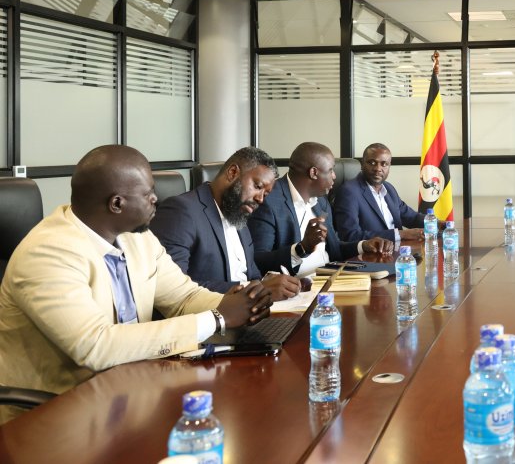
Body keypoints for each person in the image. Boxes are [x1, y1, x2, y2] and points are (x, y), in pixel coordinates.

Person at [0, 145, 272, 419]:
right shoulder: (48, 252)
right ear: (117, 204)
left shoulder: (136, 237)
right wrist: (216, 319)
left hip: (131, 391)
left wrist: (238, 303)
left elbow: (183, 297)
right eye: (148, 194)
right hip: (58, 413)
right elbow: (95, 346)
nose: (156, 199)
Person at [151, 146, 300, 301]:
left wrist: (274, 286)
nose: (260, 199)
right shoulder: (182, 211)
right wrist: (254, 289)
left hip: (249, 315)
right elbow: (172, 288)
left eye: (266, 194)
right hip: (211, 318)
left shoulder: (238, 215)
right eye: (258, 186)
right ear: (233, 173)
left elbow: (253, 276)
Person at [249, 142, 394, 277]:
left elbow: (334, 249)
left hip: (330, 278)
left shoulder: (321, 202)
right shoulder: (268, 201)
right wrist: (301, 248)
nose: (334, 176)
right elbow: (257, 260)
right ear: (313, 173)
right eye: (330, 170)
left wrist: (364, 245)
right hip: (297, 288)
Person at [333, 143, 426, 243]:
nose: (378, 169)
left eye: (384, 164)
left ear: (389, 167)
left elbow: (412, 217)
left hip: (399, 252)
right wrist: (400, 234)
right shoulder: (349, 192)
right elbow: (350, 235)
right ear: (362, 164)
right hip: (371, 256)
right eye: (372, 163)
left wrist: (437, 223)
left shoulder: (389, 189)